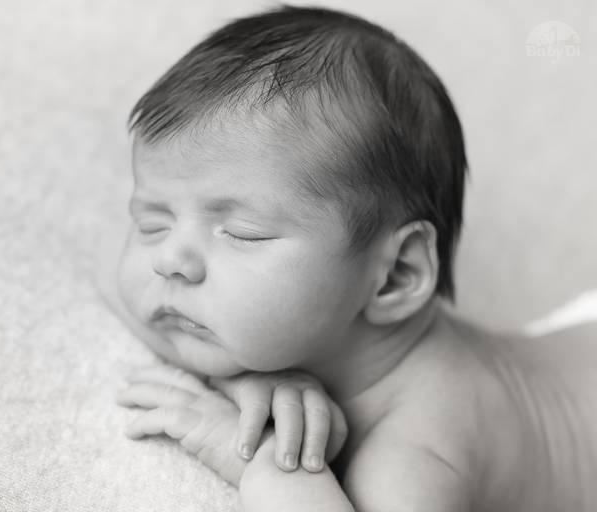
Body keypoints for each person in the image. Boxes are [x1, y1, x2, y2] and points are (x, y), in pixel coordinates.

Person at [93, 5, 597, 511]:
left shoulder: (413, 449)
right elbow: (111, 266)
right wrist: (245, 375)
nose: (168, 259)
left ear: (395, 276)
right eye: (152, 222)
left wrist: (261, 460)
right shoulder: (248, 312)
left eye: (243, 234)